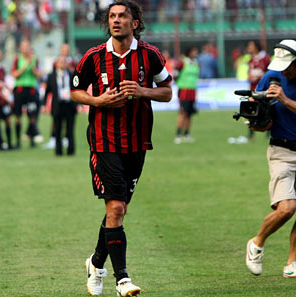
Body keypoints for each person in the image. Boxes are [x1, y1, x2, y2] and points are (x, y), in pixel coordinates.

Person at [70, 1, 172, 295]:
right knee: (115, 207)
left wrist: (143, 91)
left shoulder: (150, 56)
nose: (116, 21)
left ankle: (95, 262)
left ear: (135, 22)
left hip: (138, 142)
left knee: (119, 210)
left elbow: (167, 92)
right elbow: (75, 91)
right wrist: (98, 101)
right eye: (112, 16)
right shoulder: (93, 56)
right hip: (104, 142)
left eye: (122, 16)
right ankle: (122, 279)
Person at [245, 39, 296, 279]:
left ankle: (292, 264)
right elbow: (257, 112)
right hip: (280, 151)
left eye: (288, 66)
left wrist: (283, 99)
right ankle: (257, 242)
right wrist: (258, 122)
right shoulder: (271, 75)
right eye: (280, 66)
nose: (283, 71)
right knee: (287, 208)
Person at [11, 40, 42, 148]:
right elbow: (14, 74)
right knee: (18, 115)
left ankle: (32, 139)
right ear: (20, 49)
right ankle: (18, 141)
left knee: (32, 115)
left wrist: (31, 66)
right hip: (20, 89)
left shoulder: (34, 59)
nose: (25, 49)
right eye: (23, 47)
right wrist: (24, 66)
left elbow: (38, 75)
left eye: (27, 47)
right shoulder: (17, 59)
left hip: (31, 90)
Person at [44, 56, 77, 156]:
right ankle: (58, 151)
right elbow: (47, 91)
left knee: (70, 129)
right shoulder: (51, 76)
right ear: (56, 64)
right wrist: (43, 104)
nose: (62, 64)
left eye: (64, 62)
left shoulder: (71, 74)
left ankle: (71, 151)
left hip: (69, 105)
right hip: (58, 105)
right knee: (57, 129)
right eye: (60, 62)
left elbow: (77, 89)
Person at [174, 46, 199, 144]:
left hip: (192, 92)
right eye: (194, 51)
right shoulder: (182, 62)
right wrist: (179, 83)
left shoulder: (196, 63)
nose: (195, 53)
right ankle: (178, 135)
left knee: (189, 114)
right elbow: (175, 74)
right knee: (182, 113)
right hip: (184, 91)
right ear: (189, 52)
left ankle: (187, 134)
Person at [247, 40, 271, 140]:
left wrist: (260, 76)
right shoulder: (251, 58)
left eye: (250, 45)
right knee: (250, 110)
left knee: (267, 109)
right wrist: (250, 76)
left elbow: (269, 71)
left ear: (256, 46)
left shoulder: (265, 57)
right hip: (253, 88)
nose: (249, 47)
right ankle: (251, 133)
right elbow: (249, 71)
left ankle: (269, 133)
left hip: (264, 88)